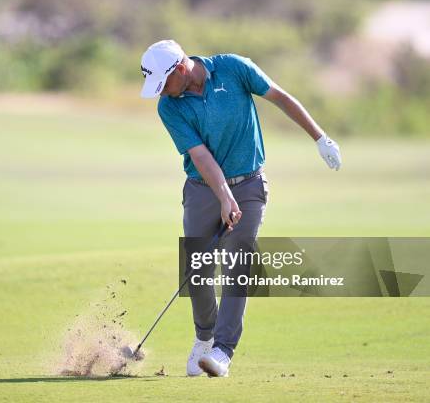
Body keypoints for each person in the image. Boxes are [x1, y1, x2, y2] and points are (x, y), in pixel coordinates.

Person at [139, 39, 342, 377]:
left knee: (237, 264)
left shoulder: (234, 68)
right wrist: (222, 195)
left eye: (163, 83)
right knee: (199, 271)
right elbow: (200, 156)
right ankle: (204, 339)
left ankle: (222, 351)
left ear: (180, 68)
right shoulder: (169, 107)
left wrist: (321, 138)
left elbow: (281, 97)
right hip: (202, 190)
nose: (161, 92)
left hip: (249, 185)